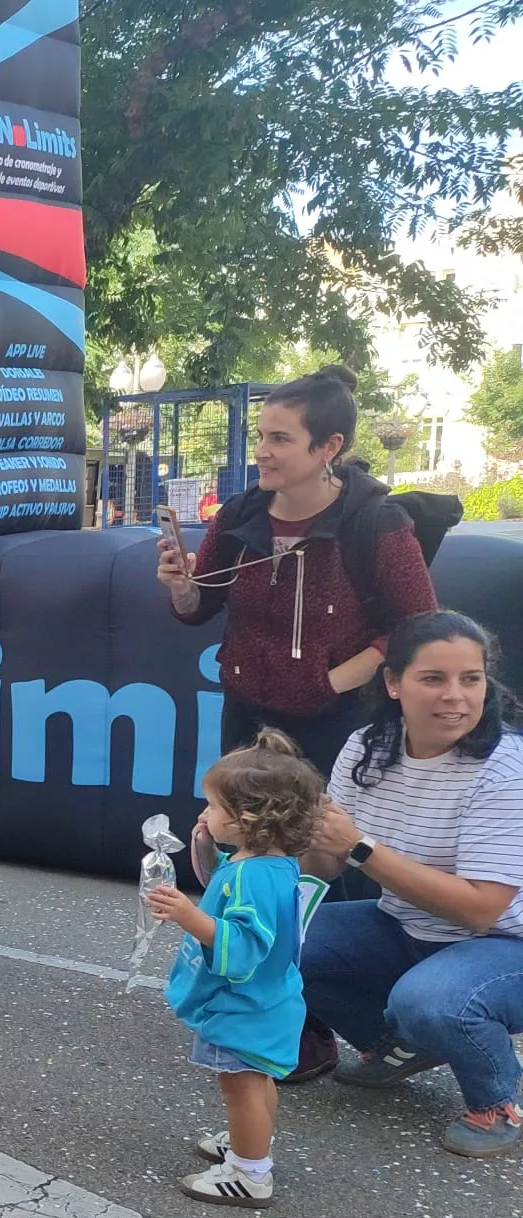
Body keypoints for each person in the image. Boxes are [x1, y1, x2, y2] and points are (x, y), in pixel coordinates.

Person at [159, 363, 439, 1081]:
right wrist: (182, 587)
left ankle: (348, 1026)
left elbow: (419, 626)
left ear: (329, 447)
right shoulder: (243, 514)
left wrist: (333, 677)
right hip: (249, 718)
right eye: (262, 436)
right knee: (247, 867)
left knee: (321, 873)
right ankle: (271, 1021)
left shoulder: (376, 521)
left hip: (337, 724)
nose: (264, 452)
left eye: (281, 439)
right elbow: (200, 608)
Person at [298, 611, 523, 1157]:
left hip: (503, 943)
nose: (456, 696)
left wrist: (360, 847)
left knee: (431, 1002)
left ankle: (497, 1101)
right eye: (433, 679)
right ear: (394, 683)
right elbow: (322, 868)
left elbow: (481, 912)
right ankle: (394, 1047)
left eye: (471, 679)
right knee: (275, 936)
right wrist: (237, 846)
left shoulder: (504, 768)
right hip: (406, 924)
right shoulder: (367, 746)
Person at [145, 731, 323, 1207]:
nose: (204, 814)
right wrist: (209, 843)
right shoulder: (269, 863)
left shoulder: (252, 876)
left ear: (249, 818)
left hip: (244, 1004)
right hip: (270, 999)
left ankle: (249, 1172)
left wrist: (189, 916)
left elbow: (242, 948)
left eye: (213, 806)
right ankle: (250, 1142)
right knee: (258, 1080)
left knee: (240, 1084)